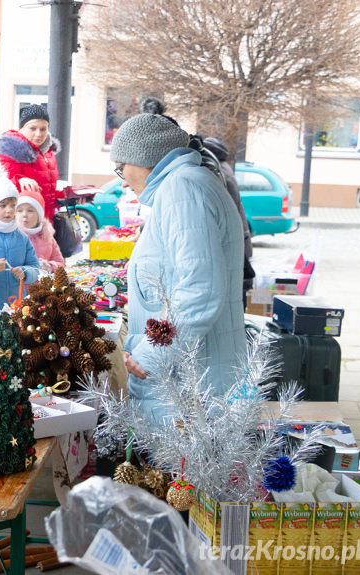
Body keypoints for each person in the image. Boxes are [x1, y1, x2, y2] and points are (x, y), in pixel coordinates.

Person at [110, 113, 245, 425]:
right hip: (190, 382)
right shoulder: (186, 185)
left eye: (121, 167)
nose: (121, 178)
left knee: (184, 475)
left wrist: (151, 354)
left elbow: (200, 291)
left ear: (142, 159)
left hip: (191, 387)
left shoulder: (182, 190)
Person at [0, 161, 40, 310]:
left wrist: (25, 273)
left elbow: (35, 268)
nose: (9, 211)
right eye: (3, 205)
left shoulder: (22, 237)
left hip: (17, 306)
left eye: (13, 205)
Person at [203, 136, 255, 304]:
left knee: (234, 296)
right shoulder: (223, 169)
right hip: (241, 244)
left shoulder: (219, 174)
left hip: (236, 248)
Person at [0, 103, 60, 220]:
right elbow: (0, 185)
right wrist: (20, 180)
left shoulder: (48, 154)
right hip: (20, 224)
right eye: (32, 128)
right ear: (22, 128)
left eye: (43, 129)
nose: (39, 134)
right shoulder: (9, 150)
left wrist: (69, 197)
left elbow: (46, 195)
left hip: (43, 224)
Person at [16, 188, 64, 274]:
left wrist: (49, 266)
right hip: (20, 286)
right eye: (19, 210)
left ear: (39, 215)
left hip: (43, 285)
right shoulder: (14, 237)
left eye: (30, 210)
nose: (24, 215)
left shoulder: (48, 237)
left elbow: (61, 263)